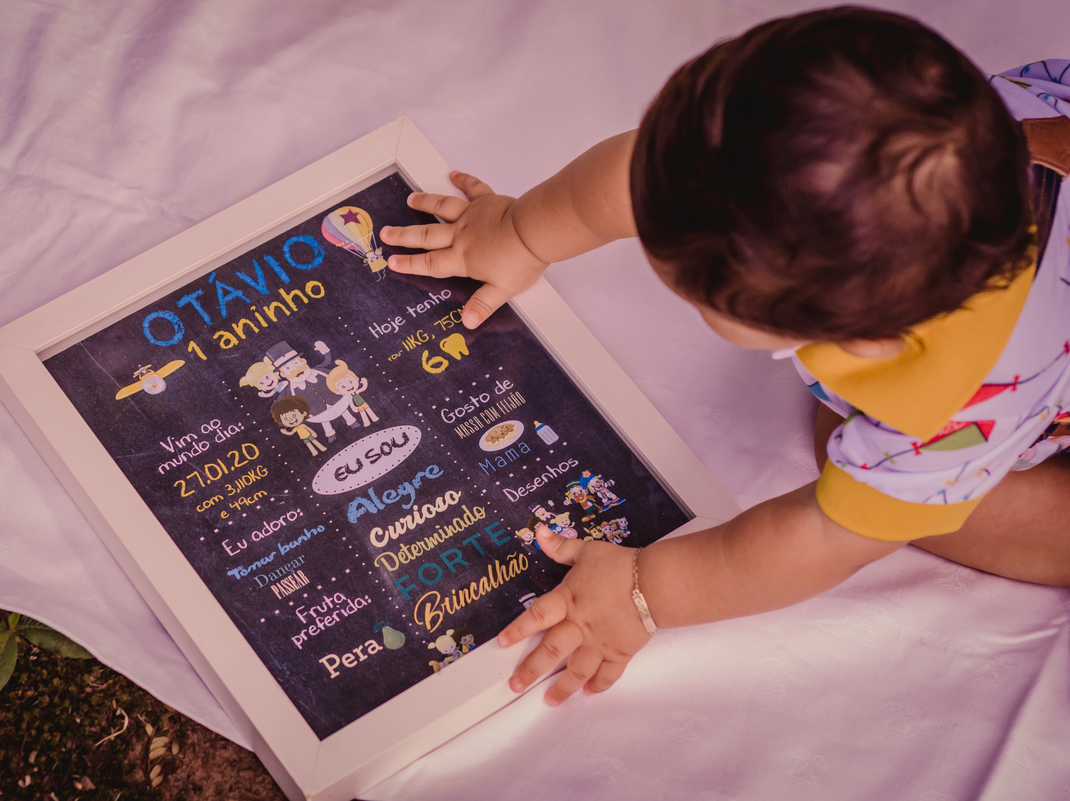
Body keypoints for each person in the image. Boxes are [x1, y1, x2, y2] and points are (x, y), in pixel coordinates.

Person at [380, 7, 1070, 707]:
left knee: (851, 455)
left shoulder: (945, 416)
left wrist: (644, 592)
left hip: (1041, 378)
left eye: (701, 295)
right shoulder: (914, 142)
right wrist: (518, 233)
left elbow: (823, 534)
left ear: (864, 341)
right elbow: (634, 179)